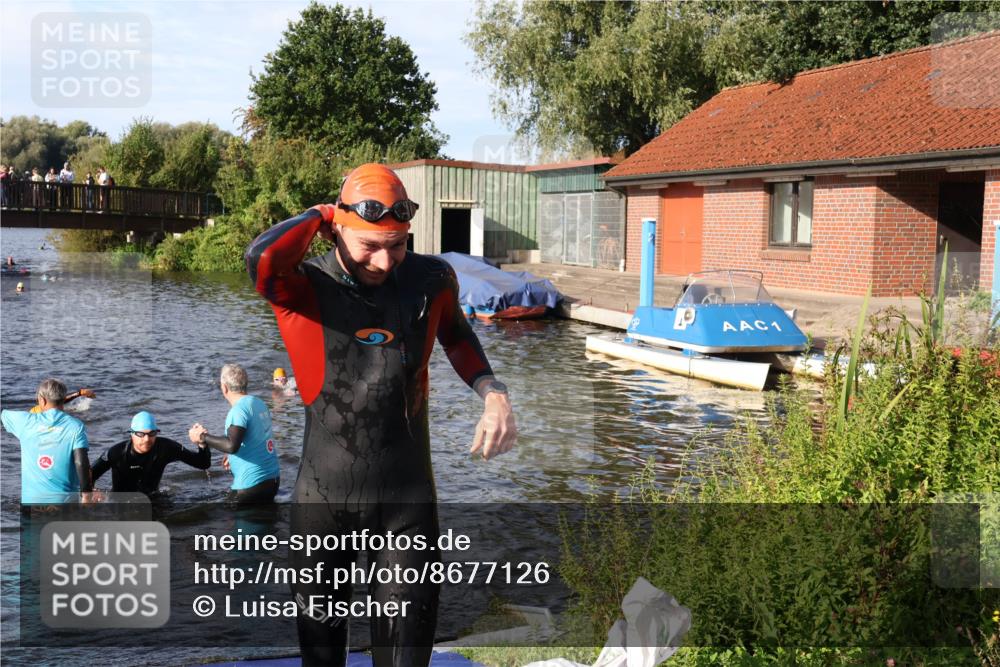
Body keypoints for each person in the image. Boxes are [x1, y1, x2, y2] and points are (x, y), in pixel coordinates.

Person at [245, 163, 517, 666]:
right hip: (323, 504)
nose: (386, 260)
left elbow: (457, 335)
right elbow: (261, 257)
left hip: (406, 503)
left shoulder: (431, 278)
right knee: (322, 661)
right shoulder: (302, 287)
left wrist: (493, 392)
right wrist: (322, 212)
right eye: (370, 245)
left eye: (398, 244)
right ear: (336, 229)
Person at [188, 364, 279, 504]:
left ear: (224, 387)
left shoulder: (238, 410)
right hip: (272, 481)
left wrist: (202, 437)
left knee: (220, 514)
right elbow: (256, 438)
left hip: (251, 485)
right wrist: (231, 455)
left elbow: (231, 445)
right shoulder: (258, 403)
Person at [0, 378, 93, 503]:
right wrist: (86, 496)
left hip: (31, 503)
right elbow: (81, 462)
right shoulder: (76, 426)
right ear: (62, 400)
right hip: (65, 502)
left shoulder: (24, 421)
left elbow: (2, 414)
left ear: (42, 400)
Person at [92, 411, 210, 498]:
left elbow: (203, 463)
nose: (147, 439)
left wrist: (202, 444)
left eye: (152, 433)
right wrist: (91, 491)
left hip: (153, 498)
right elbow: (89, 474)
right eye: (141, 434)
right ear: (132, 434)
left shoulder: (166, 448)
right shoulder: (116, 453)